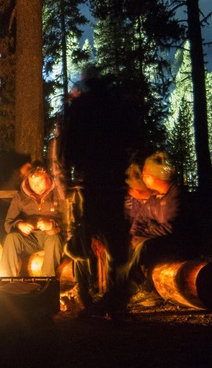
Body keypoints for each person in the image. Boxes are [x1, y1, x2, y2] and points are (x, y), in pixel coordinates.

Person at [54, 67, 146, 319]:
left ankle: (93, 301)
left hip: (91, 183)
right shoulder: (116, 106)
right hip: (113, 182)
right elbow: (132, 139)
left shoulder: (80, 109)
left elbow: (66, 149)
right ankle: (114, 302)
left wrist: (69, 177)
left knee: (87, 239)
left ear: (85, 86)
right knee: (115, 240)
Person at [124, 151, 197, 301]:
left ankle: (133, 287)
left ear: (154, 177)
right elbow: (139, 220)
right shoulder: (155, 196)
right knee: (134, 243)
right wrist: (135, 236)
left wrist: (143, 236)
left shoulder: (175, 196)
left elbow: (170, 228)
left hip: (179, 245)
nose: (143, 179)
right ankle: (136, 285)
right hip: (159, 241)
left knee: (145, 247)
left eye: (145, 175)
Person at [0, 161, 64, 278]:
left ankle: (47, 282)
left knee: (54, 239)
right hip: (30, 238)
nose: (36, 185)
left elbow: (69, 223)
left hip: (50, 237)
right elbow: (8, 224)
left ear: (48, 178)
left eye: (40, 181)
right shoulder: (20, 197)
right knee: (11, 238)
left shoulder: (59, 195)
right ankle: (7, 282)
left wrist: (52, 224)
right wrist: (19, 225)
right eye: (32, 181)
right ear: (27, 180)